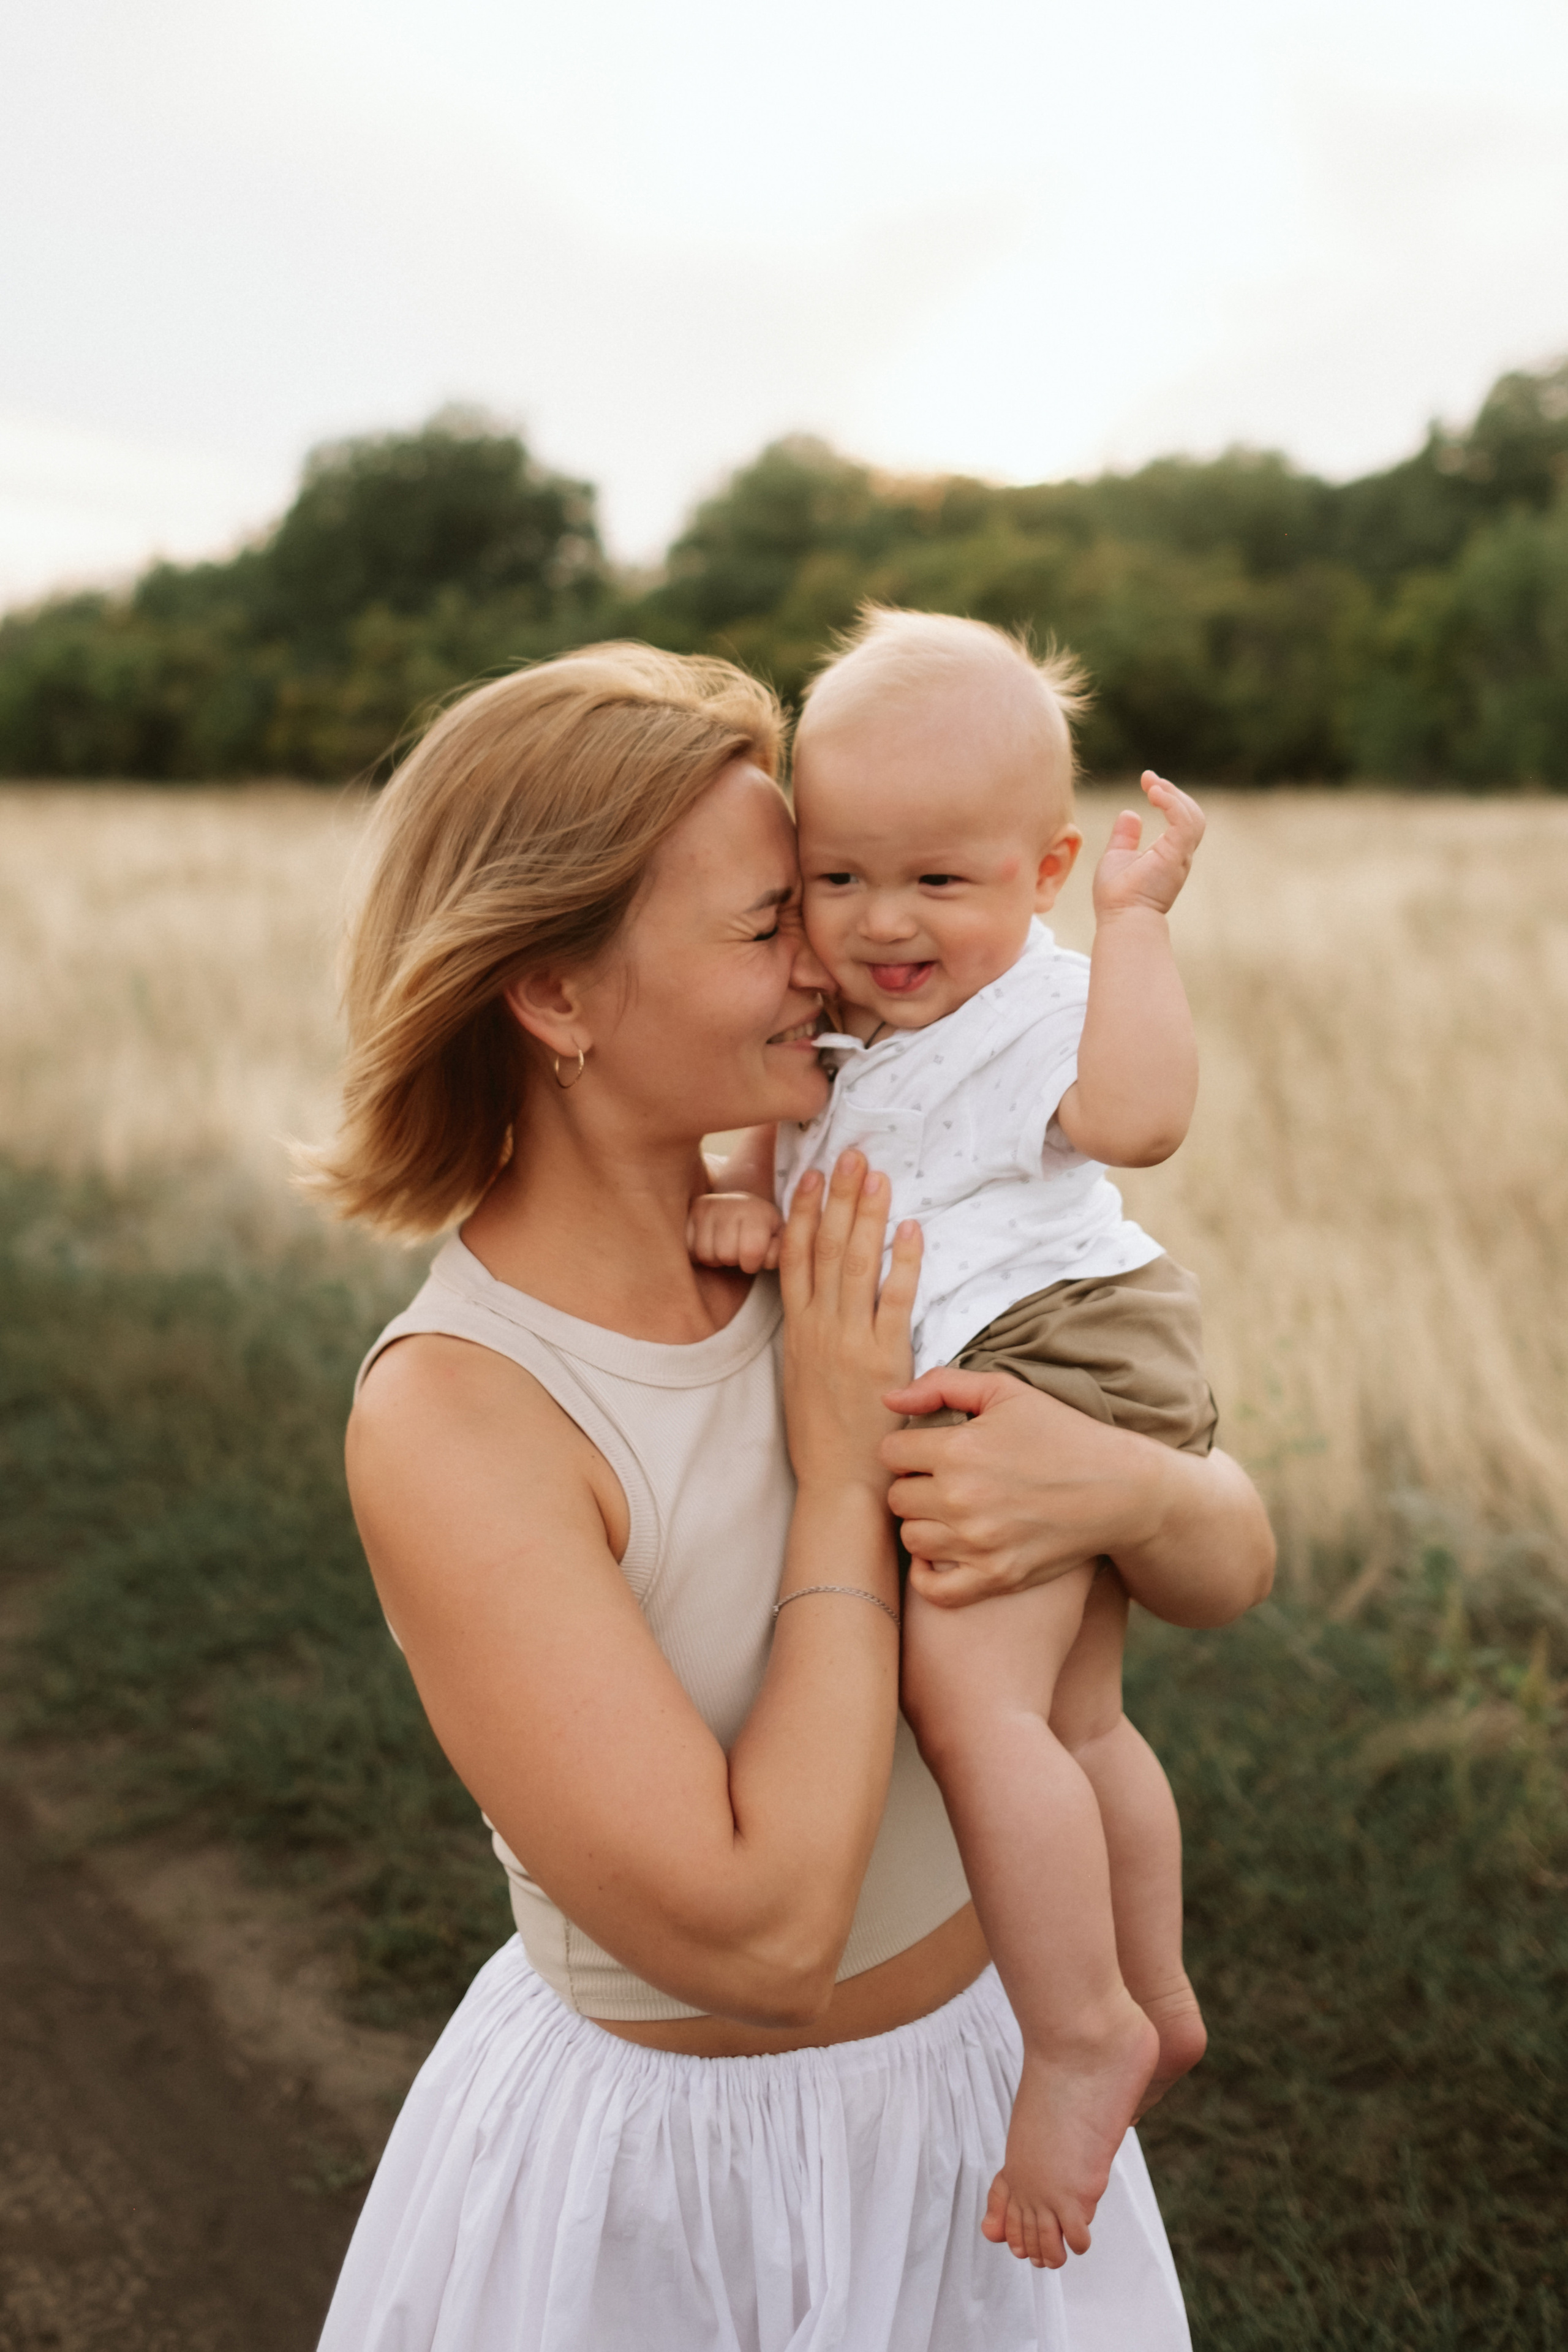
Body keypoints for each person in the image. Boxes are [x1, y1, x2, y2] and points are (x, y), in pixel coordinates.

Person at [303, 641, 1274, 2351]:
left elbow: (1229, 1561)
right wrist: (840, 1475)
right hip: (675, 2198)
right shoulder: (461, 1408)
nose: (838, 964)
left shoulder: (835, 1232)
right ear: (557, 997)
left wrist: (1113, 1480)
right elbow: (757, 1941)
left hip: (973, 2105)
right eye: (777, 919)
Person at [692, 608, 1216, 2268]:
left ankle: (1078, 2033)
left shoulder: (1040, 1008)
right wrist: (734, 1208)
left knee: (967, 1700)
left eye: (942, 880)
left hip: (1060, 1359)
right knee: (1075, 1718)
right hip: (1036, 1360)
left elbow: (1137, 1121)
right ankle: (1158, 1985)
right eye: (839, 879)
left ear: (1048, 867)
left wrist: (1135, 928)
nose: (884, 923)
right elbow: (825, 1183)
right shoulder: (853, 1038)